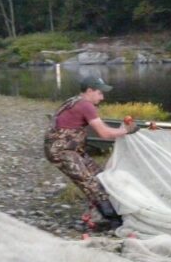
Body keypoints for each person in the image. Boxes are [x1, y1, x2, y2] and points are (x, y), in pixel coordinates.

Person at [44, 75, 135, 231]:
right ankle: (112, 220)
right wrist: (125, 130)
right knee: (90, 183)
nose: (102, 97)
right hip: (61, 151)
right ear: (90, 90)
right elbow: (104, 133)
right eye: (100, 93)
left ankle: (100, 214)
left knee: (100, 176)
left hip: (73, 150)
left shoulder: (74, 101)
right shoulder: (86, 105)